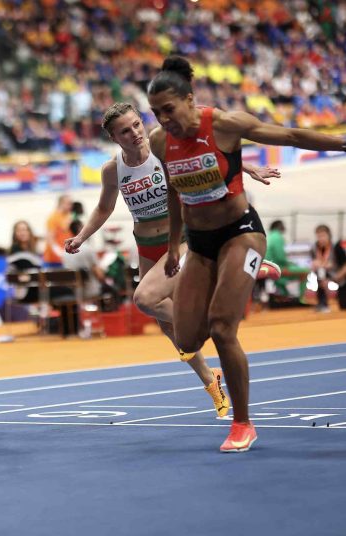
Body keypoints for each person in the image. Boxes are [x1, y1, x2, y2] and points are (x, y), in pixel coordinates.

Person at [147, 56, 345, 452]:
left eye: (169, 109)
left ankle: (242, 423)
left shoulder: (224, 124)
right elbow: (172, 192)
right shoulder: (159, 141)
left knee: (222, 328)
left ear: (189, 99)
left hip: (241, 233)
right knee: (188, 338)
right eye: (156, 113)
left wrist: (341, 142)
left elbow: (290, 135)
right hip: (199, 243)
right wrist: (171, 248)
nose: (164, 119)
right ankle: (240, 274)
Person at [65, 102, 278, 417]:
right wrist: (82, 237)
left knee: (146, 299)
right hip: (147, 247)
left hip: (180, 239)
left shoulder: (161, 147)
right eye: (125, 131)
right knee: (167, 325)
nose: (135, 133)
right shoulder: (113, 170)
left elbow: (207, 157)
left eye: (137, 125)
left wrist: (248, 169)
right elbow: (104, 208)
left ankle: (219, 292)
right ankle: (210, 380)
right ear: (114, 138)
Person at [265, 220, 309, 302]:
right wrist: (291, 264)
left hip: (268, 268)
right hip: (277, 268)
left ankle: (284, 295)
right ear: (279, 226)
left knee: (283, 278)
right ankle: (301, 299)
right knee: (305, 271)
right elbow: (280, 258)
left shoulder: (269, 236)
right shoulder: (277, 237)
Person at [310, 224, 346, 312]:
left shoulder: (337, 248)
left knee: (343, 306)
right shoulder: (314, 248)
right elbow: (314, 263)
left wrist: (336, 277)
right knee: (319, 272)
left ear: (329, 235)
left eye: (323, 236)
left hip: (341, 276)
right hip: (326, 274)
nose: (321, 239)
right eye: (319, 236)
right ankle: (322, 303)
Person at [42, 194, 73, 267]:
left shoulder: (69, 216)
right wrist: (59, 252)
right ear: (61, 204)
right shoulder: (53, 217)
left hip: (66, 256)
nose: (71, 206)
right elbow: (50, 238)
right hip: (53, 259)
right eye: (68, 203)